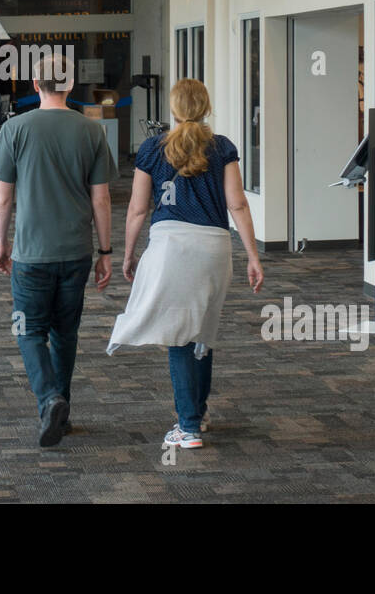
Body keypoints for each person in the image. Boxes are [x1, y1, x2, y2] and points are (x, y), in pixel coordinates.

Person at [107, 78, 265, 451]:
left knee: (179, 335)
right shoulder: (222, 147)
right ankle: (199, 412)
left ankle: (188, 427)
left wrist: (128, 253)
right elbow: (238, 205)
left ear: (174, 109)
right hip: (215, 248)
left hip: (171, 249)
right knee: (202, 332)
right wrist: (253, 256)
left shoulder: (151, 148)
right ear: (205, 107)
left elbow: (137, 209)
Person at [0, 54, 115, 448]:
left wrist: (1, 242)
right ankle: (62, 413)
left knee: (27, 331)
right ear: (70, 85)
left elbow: (3, 198)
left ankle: (50, 400)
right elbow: (102, 201)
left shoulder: (15, 129)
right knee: (65, 333)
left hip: (31, 253)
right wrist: (106, 251)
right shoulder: (91, 131)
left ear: (35, 84)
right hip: (76, 252)